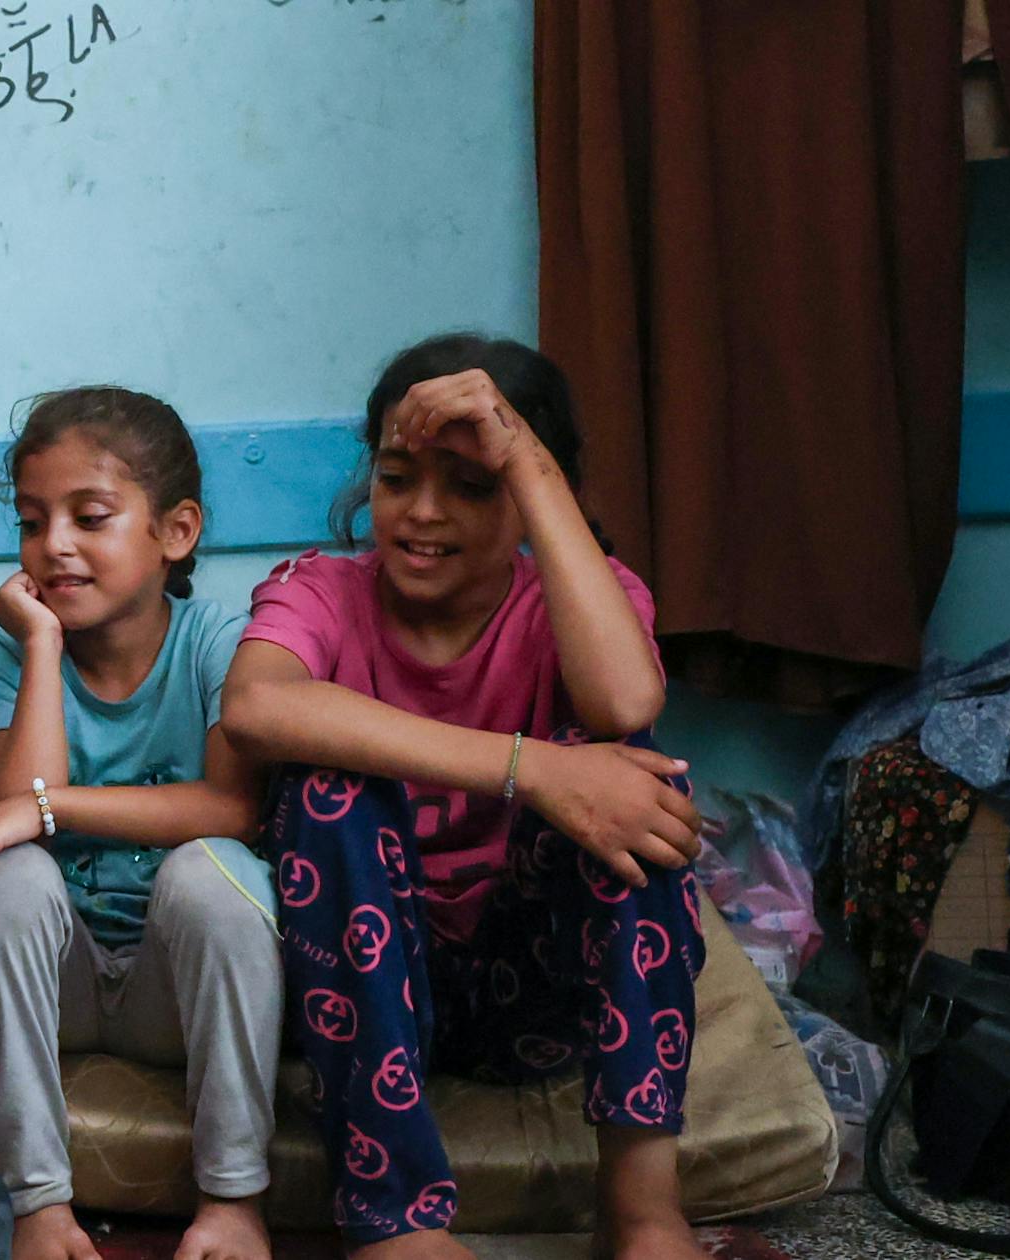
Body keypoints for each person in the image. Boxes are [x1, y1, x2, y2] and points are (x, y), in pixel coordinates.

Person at [218, 334, 704, 1260]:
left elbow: (626, 702)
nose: (421, 514)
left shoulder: (577, 602)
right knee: (327, 788)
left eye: (473, 486)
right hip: (354, 995)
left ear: (530, 498)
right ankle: (394, 1219)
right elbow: (255, 706)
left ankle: (643, 1211)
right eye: (398, 479)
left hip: (530, 1000)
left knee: (630, 780)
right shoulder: (319, 590)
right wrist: (532, 768)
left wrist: (524, 456)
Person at [0, 387, 283, 1260]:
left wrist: (49, 809)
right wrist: (39, 644)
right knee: (7, 873)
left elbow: (232, 807)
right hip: (56, 982)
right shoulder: (9, 655)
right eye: (34, 522)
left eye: (91, 516)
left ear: (175, 533)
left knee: (212, 869)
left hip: (169, 988)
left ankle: (234, 1202)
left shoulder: (220, 642)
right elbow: (16, 798)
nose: (55, 545)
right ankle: (36, 1203)